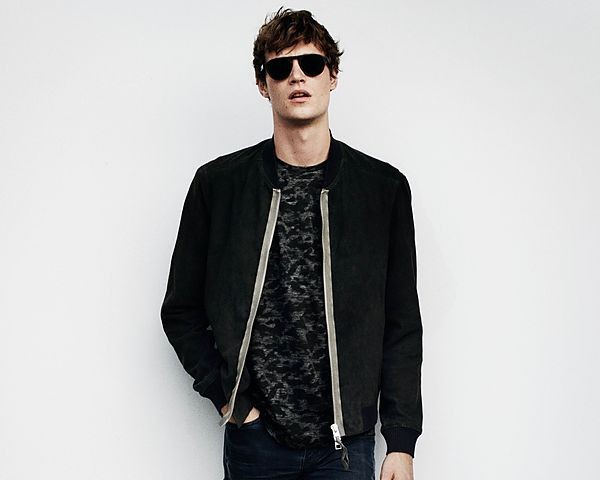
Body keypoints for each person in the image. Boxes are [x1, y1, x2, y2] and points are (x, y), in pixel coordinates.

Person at [161, 7, 423, 480]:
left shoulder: (381, 189)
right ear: (264, 84)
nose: (297, 76)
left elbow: (402, 323)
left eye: (311, 64)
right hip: (256, 443)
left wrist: (401, 442)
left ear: (332, 76)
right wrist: (229, 399)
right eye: (280, 68)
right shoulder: (218, 187)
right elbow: (181, 309)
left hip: (347, 445)